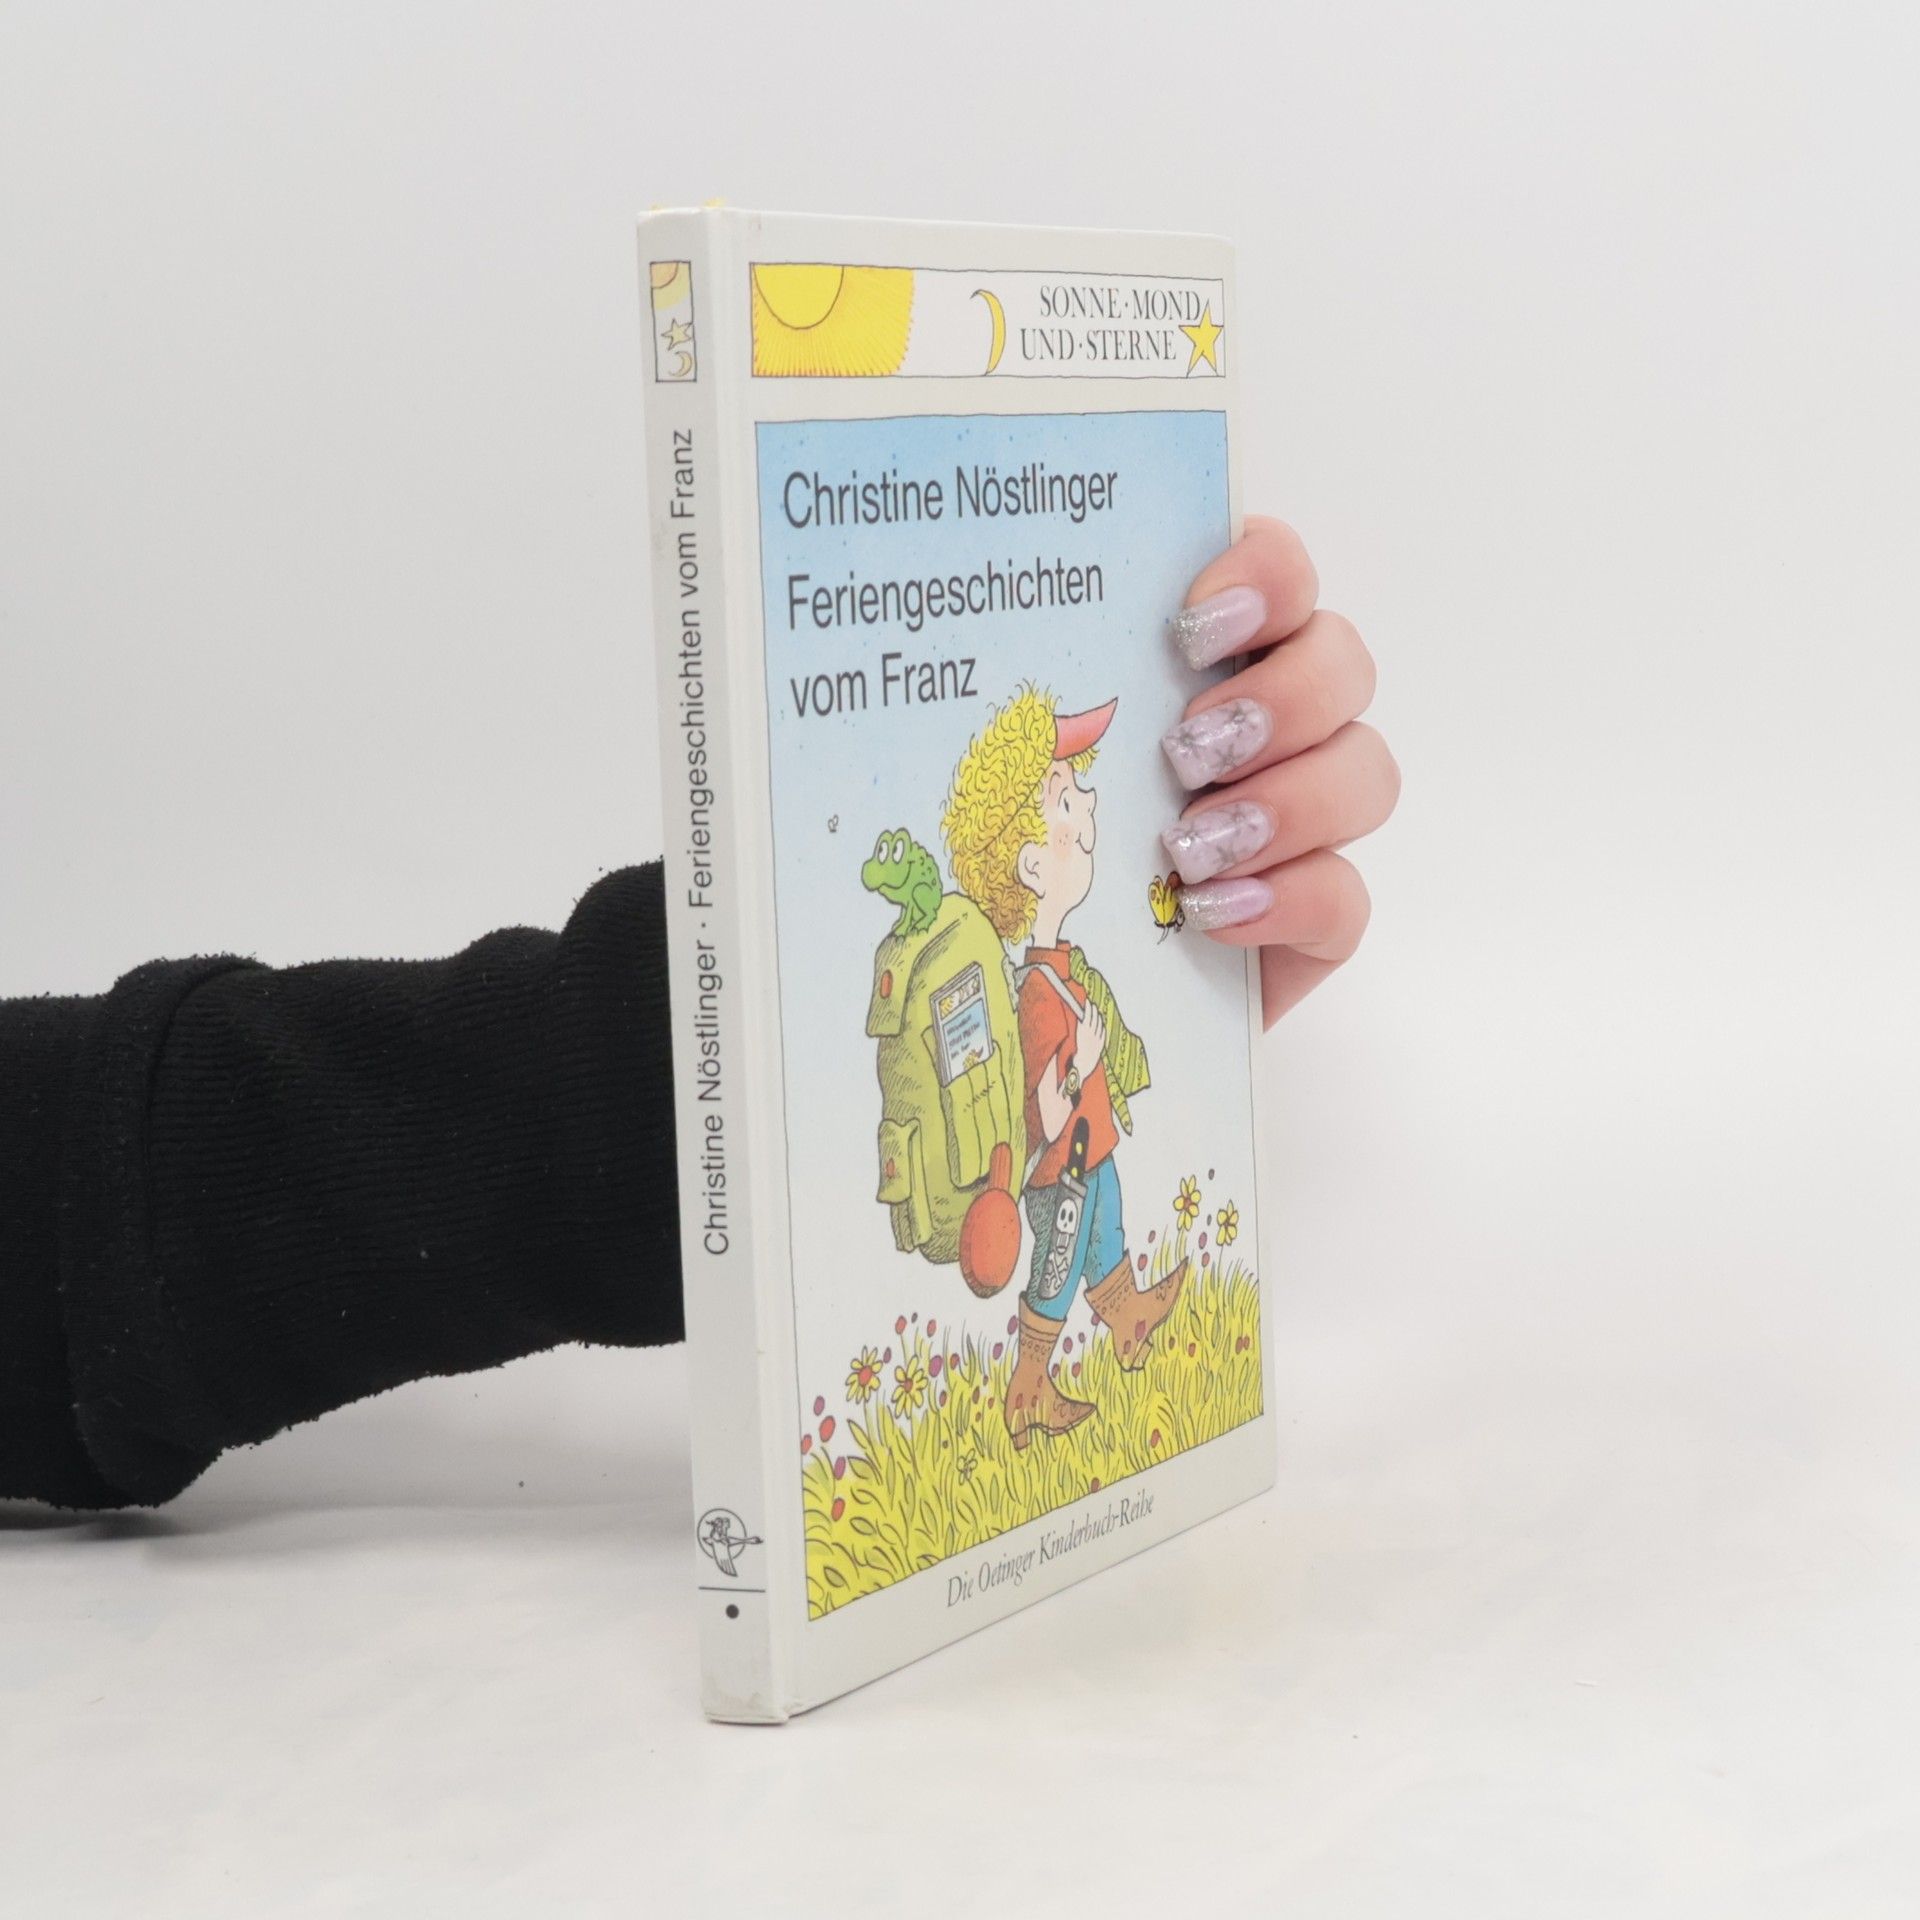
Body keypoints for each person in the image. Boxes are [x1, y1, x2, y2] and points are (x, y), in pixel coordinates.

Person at [0, 518, 1398, 1510]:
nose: (1093, 803)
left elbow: (96, 1215)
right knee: (1063, 1222)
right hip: (1019, 1155)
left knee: (1092, 1216)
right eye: (1069, 792)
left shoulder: (1033, 957)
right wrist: (696, 1068)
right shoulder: (1002, 978)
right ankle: (1049, 1360)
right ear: (1019, 851)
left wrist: (687, 1049)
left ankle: (1117, 1307)